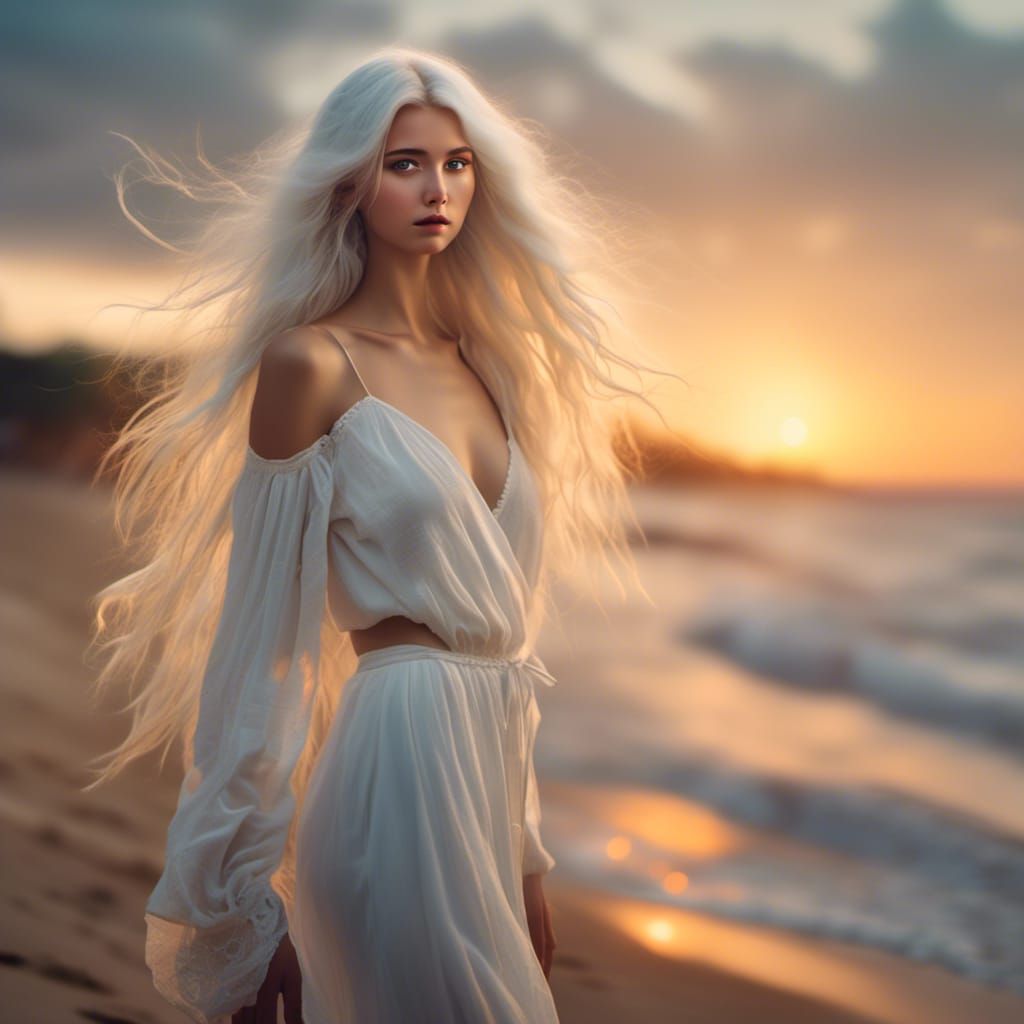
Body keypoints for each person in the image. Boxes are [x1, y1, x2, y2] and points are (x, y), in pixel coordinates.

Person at [86, 46, 666, 1024]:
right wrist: (238, 906)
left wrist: (526, 859)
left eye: (456, 163)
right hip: (393, 764)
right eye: (405, 164)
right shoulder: (310, 364)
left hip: (483, 785)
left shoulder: (496, 370)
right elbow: (259, 653)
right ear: (350, 182)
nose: (437, 188)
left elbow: (509, 654)